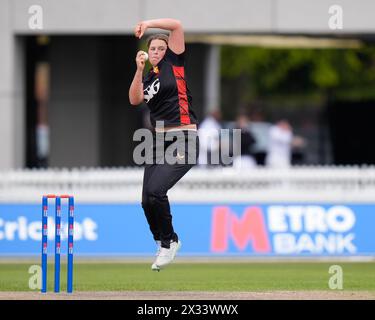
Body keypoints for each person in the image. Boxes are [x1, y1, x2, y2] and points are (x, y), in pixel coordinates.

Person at [129, 18, 199, 271]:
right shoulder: (148, 76)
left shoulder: (174, 62)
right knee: (147, 199)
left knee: (157, 191)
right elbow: (135, 99)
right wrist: (139, 70)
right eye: (153, 49)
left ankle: (169, 243)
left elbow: (177, 25)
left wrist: (147, 23)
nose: (156, 52)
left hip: (183, 137)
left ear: (167, 51)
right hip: (157, 140)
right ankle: (164, 241)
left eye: (160, 48)